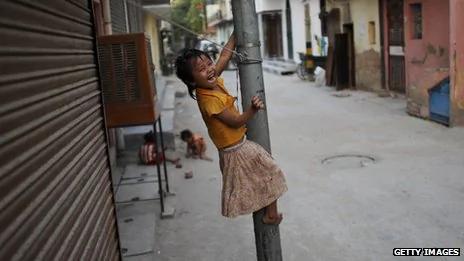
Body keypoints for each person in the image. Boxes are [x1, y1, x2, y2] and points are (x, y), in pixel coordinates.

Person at [174, 32, 287, 224]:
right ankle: (270, 214)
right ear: (192, 81)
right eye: (202, 69)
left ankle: (270, 213)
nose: (210, 69)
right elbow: (235, 121)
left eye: (209, 64)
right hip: (235, 150)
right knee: (269, 172)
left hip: (237, 146)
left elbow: (225, 55)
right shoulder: (208, 101)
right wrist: (252, 110)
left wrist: (237, 30)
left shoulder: (211, 80)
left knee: (261, 177)